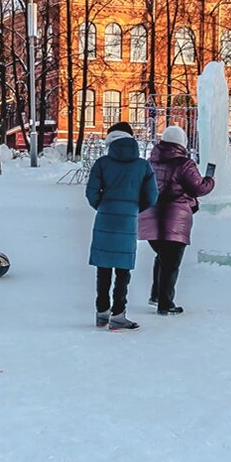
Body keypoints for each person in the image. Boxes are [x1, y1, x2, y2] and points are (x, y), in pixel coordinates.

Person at [86, 121, 159, 331]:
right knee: (123, 270)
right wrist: (134, 208)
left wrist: (102, 205)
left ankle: (102, 313)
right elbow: (152, 196)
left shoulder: (102, 163)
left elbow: (91, 192)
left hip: (105, 219)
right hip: (128, 221)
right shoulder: (143, 166)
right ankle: (118, 314)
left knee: (104, 268)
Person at [138, 125, 215, 316]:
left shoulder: (150, 162)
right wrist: (210, 180)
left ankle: (156, 295)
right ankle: (166, 303)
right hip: (175, 217)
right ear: (182, 143)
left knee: (162, 256)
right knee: (171, 261)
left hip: (151, 215)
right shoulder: (184, 164)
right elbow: (198, 189)